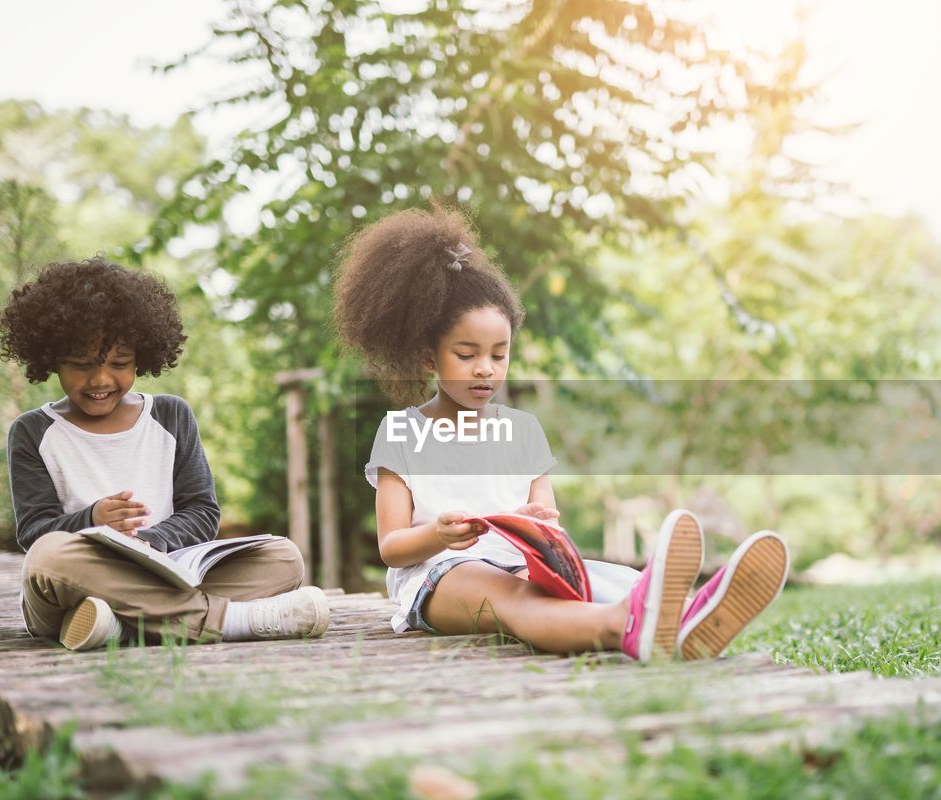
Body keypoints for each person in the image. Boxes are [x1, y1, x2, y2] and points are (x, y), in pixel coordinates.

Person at [333, 206, 789, 660]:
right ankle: (625, 627)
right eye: (466, 354)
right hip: (441, 574)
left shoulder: (523, 432)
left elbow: (549, 520)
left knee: (602, 578)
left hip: (521, 565)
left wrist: (537, 523)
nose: (485, 369)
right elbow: (392, 548)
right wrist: (439, 534)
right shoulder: (401, 432)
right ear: (430, 358)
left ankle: (689, 613)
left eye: (499, 354)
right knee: (515, 599)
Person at [0, 257, 329, 651]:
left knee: (284, 557)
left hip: (166, 571)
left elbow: (202, 512)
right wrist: (92, 521)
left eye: (119, 364)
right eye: (82, 366)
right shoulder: (33, 432)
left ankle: (120, 626)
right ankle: (232, 620)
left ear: (143, 356)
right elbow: (34, 532)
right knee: (47, 557)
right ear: (51, 360)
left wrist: (151, 543)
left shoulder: (171, 415)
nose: (101, 380)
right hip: (75, 582)